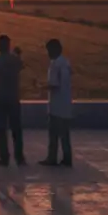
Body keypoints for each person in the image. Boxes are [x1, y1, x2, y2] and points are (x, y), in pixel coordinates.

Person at [0, 35, 26, 166]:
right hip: (13, 98)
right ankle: (19, 157)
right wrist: (18, 54)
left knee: (1, 129)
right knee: (16, 129)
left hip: (0, 98)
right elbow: (22, 66)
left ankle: (4, 157)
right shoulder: (15, 60)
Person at [41, 38, 73, 168]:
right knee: (65, 134)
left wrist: (42, 87)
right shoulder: (65, 63)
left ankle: (52, 158)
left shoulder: (55, 65)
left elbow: (54, 85)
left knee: (53, 134)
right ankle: (67, 158)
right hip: (65, 105)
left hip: (56, 106)